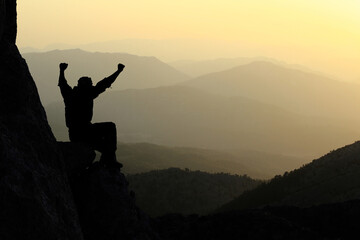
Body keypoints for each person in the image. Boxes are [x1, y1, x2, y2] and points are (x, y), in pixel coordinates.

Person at [58, 62, 125, 169]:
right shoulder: (88, 94)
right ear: (87, 86)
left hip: (75, 134)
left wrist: (61, 70)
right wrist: (118, 71)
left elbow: (62, 84)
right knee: (110, 128)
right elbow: (104, 84)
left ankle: (108, 161)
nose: (92, 86)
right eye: (90, 84)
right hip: (86, 132)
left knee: (107, 144)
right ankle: (109, 161)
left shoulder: (70, 95)